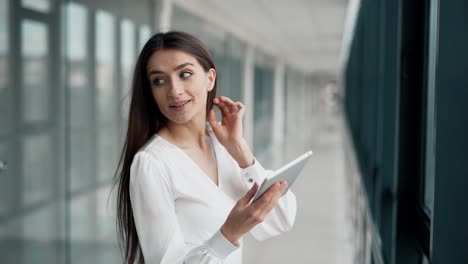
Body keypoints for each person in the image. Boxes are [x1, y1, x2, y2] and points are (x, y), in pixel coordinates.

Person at [114, 31, 297, 264]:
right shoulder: (152, 163)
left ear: (210, 78)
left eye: (185, 74)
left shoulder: (224, 146)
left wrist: (242, 153)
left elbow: (280, 219)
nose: (174, 90)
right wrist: (228, 234)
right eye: (159, 80)